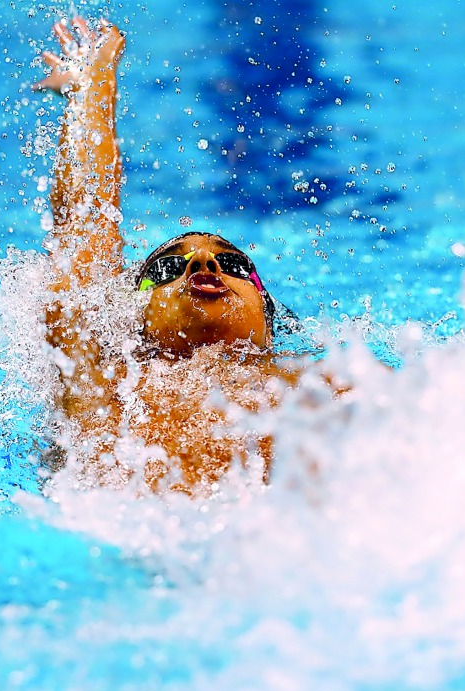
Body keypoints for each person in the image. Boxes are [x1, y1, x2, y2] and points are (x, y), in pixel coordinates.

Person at [31, 16, 305, 493]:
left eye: (234, 263)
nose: (205, 264)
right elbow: (84, 231)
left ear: (267, 307)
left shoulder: (319, 384)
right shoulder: (112, 386)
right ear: (133, 311)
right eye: (168, 268)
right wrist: (93, 92)